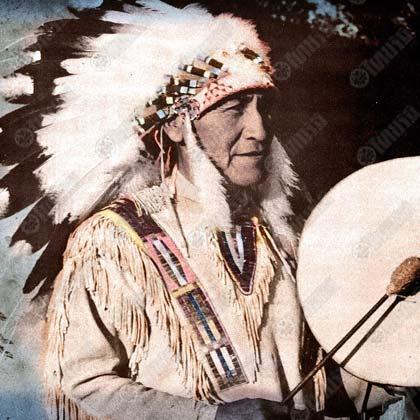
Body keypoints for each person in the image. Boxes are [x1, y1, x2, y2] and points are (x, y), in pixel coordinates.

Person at [0, 1, 403, 419]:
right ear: (177, 124)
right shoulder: (114, 240)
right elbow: (86, 380)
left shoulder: (284, 237)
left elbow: (315, 388)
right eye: (234, 108)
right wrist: (207, 416)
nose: (259, 129)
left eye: (263, 107)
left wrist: (398, 372)